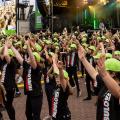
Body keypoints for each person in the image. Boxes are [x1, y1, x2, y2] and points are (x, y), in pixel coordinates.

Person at [77, 41, 120, 120]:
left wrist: (104, 74)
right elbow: (93, 73)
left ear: (113, 74)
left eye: (105, 70)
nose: (101, 71)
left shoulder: (114, 85)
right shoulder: (104, 82)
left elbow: (117, 93)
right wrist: (83, 59)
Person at [11, 40, 43, 120]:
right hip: (30, 95)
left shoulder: (37, 68)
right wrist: (11, 46)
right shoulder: (27, 66)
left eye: (31, 58)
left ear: (35, 60)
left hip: (36, 95)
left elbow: (32, 59)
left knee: (36, 116)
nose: (28, 58)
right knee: (28, 113)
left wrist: (28, 46)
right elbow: (18, 57)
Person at [51, 54, 72, 120]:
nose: (57, 79)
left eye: (59, 77)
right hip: (56, 115)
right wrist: (54, 60)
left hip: (63, 116)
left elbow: (62, 79)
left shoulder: (64, 88)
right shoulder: (57, 86)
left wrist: (60, 69)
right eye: (56, 77)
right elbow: (55, 69)